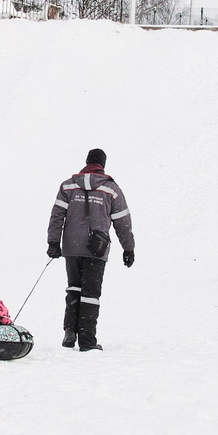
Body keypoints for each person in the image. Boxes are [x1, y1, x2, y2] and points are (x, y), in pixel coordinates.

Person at [47, 146, 136, 351]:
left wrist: (53, 242)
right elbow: (122, 222)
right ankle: (87, 341)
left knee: (73, 288)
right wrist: (128, 248)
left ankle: (70, 331)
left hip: (71, 246)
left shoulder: (68, 186)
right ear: (102, 165)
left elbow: (57, 215)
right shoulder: (111, 189)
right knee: (91, 293)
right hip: (97, 247)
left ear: (86, 162)